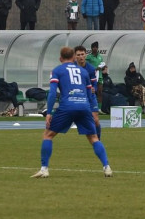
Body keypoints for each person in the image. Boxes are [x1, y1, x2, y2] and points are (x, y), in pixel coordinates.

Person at [31, 46, 112, 178]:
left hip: (67, 106)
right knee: (93, 137)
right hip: (84, 106)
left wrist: (49, 112)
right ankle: (107, 167)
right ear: (74, 57)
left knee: (48, 135)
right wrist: (91, 109)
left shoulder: (57, 70)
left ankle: (44, 169)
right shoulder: (83, 72)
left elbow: (52, 93)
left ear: (60, 58)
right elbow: (90, 93)